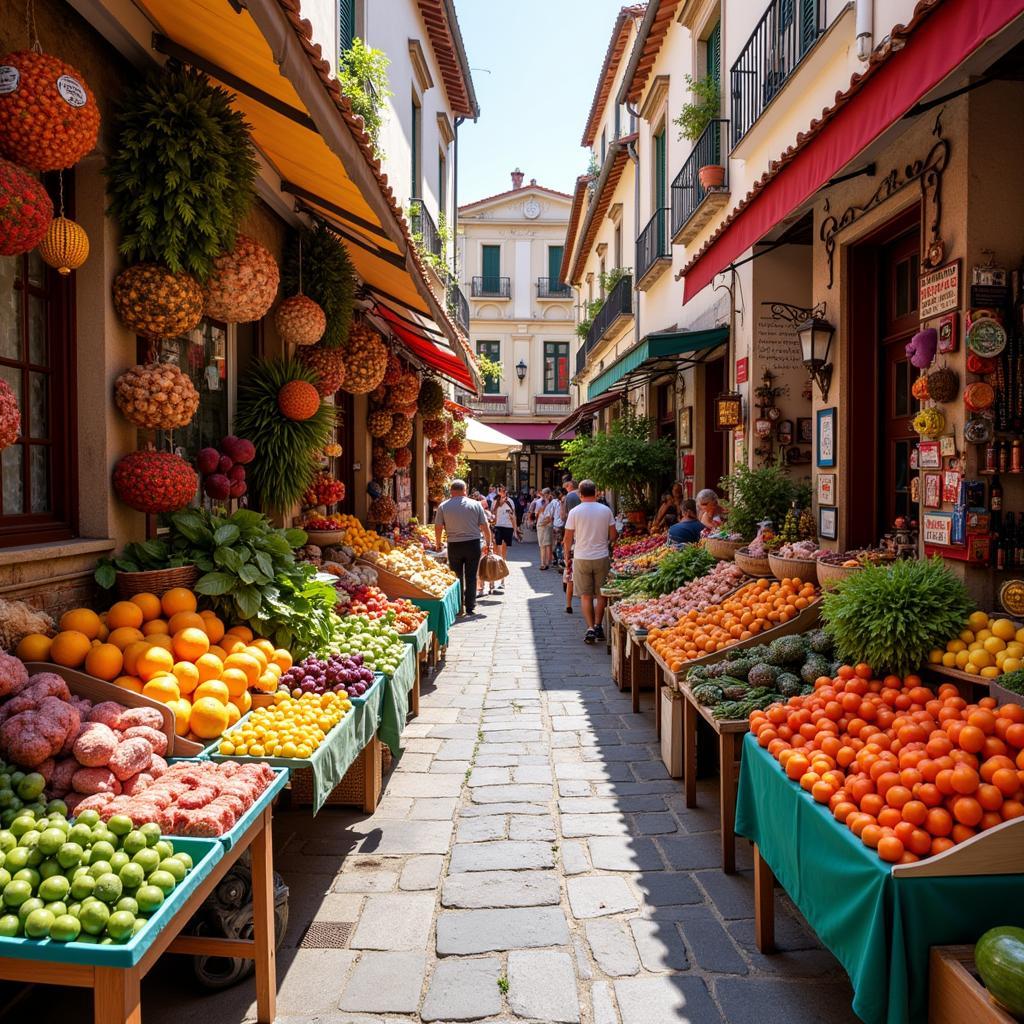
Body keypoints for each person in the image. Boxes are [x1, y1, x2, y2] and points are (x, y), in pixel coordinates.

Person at [563, 479, 618, 644]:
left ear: (580, 494)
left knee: (585, 596)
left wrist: (566, 555)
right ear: (596, 493)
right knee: (601, 594)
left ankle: (590, 628)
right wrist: (607, 543)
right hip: (601, 557)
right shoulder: (606, 510)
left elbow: (567, 537)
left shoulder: (574, 512)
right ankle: (598, 624)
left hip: (581, 556)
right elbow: (614, 535)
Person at [434, 480, 492, 617]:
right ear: (465, 490)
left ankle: (458, 607)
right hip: (473, 544)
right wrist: (488, 543)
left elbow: (438, 527)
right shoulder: (476, 505)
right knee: (471, 576)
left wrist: (437, 544)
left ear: (451, 490)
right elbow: (485, 526)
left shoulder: (443, 506)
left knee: (456, 577)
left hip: (454, 545)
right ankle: (470, 607)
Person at [491, 485, 519, 587]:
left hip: (508, 527)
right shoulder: (495, 501)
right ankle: (494, 580)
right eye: (499, 490)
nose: (501, 492)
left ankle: (502, 580)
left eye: (502, 490)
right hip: (498, 527)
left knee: (503, 554)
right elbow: (492, 514)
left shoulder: (510, 501)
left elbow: (513, 516)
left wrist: (515, 530)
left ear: (505, 491)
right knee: (496, 553)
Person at [536, 489, 555, 569]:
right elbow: (537, 513)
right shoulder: (539, 502)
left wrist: (542, 523)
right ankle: (544, 563)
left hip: (546, 525)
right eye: (542, 494)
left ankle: (546, 563)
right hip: (541, 525)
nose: (543, 496)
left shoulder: (552, 503)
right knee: (543, 545)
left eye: (544, 494)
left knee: (546, 545)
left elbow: (550, 517)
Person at [552, 488, 566, 567]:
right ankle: (559, 559)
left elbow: (551, 513)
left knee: (557, 543)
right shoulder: (562, 502)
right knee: (560, 543)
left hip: (556, 524)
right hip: (561, 525)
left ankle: (557, 558)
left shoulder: (554, 502)